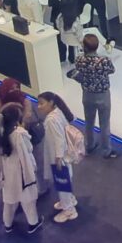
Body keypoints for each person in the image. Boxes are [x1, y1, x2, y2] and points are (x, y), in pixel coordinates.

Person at [0, 103, 44, 234]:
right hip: (22, 173)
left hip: (6, 173)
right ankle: (33, 223)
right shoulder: (19, 134)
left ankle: (7, 224)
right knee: (28, 200)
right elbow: (29, 149)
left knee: (9, 201)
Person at [68, 34, 118, 159]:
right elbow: (112, 70)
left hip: (87, 95)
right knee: (104, 124)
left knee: (89, 122)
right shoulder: (104, 61)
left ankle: (89, 145)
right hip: (103, 95)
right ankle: (106, 150)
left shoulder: (79, 60)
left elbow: (78, 71)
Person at [37, 91, 79, 223]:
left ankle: (68, 210)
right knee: (66, 179)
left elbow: (58, 139)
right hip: (65, 154)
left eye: (41, 103)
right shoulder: (59, 113)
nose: (39, 107)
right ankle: (69, 200)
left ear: (50, 103)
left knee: (61, 182)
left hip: (58, 156)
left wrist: (58, 158)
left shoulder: (51, 120)